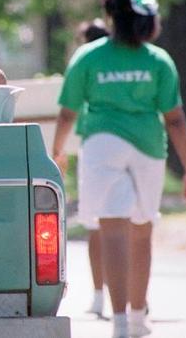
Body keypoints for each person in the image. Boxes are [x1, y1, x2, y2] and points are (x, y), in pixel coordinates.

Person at [51, 0, 186, 338]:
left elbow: (68, 113)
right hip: (149, 148)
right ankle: (137, 319)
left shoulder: (89, 57)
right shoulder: (158, 60)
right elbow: (175, 119)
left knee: (112, 229)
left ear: (109, 17)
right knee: (141, 231)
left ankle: (118, 323)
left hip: (102, 146)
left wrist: (57, 152)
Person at [72, 18, 111, 318]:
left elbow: (67, 109)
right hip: (137, 147)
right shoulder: (121, 61)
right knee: (133, 226)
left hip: (95, 146)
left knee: (95, 225)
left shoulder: (84, 63)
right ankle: (138, 296)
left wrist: (58, 148)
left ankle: (99, 295)